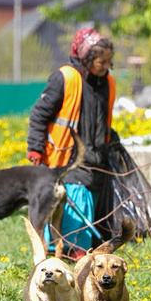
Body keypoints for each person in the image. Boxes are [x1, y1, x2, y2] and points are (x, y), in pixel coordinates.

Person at [27, 28, 119, 260]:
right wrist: (35, 148)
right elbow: (39, 114)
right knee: (77, 193)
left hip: (96, 156)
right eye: (100, 62)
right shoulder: (65, 78)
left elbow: (102, 120)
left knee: (91, 197)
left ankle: (79, 247)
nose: (105, 66)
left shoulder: (107, 82)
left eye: (108, 62)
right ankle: (70, 248)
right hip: (66, 155)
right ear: (86, 58)